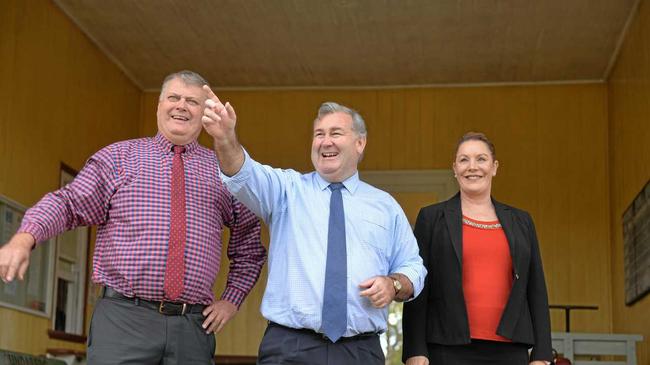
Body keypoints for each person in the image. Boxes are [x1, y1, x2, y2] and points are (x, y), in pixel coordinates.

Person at [0, 70, 266, 365]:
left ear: (205, 114)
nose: (181, 106)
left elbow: (249, 245)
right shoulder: (117, 159)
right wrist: (26, 237)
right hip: (123, 320)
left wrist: (232, 299)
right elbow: (69, 203)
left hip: (191, 328)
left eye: (192, 101)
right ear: (159, 105)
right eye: (173, 97)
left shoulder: (224, 172)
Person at [201, 91, 427, 365]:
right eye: (319, 134)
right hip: (290, 347)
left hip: (360, 351)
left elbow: (413, 266)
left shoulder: (385, 206)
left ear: (360, 142)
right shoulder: (286, 190)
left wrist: (392, 285)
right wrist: (225, 138)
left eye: (335, 133)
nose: (325, 141)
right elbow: (242, 172)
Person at [402, 132, 553, 365]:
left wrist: (542, 354)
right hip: (446, 348)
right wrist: (415, 350)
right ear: (454, 168)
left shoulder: (522, 221)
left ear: (494, 167)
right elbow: (419, 285)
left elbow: (536, 288)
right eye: (464, 160)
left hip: (511, 349)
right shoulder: (431, 218)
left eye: (481, 159)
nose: (472, 167)